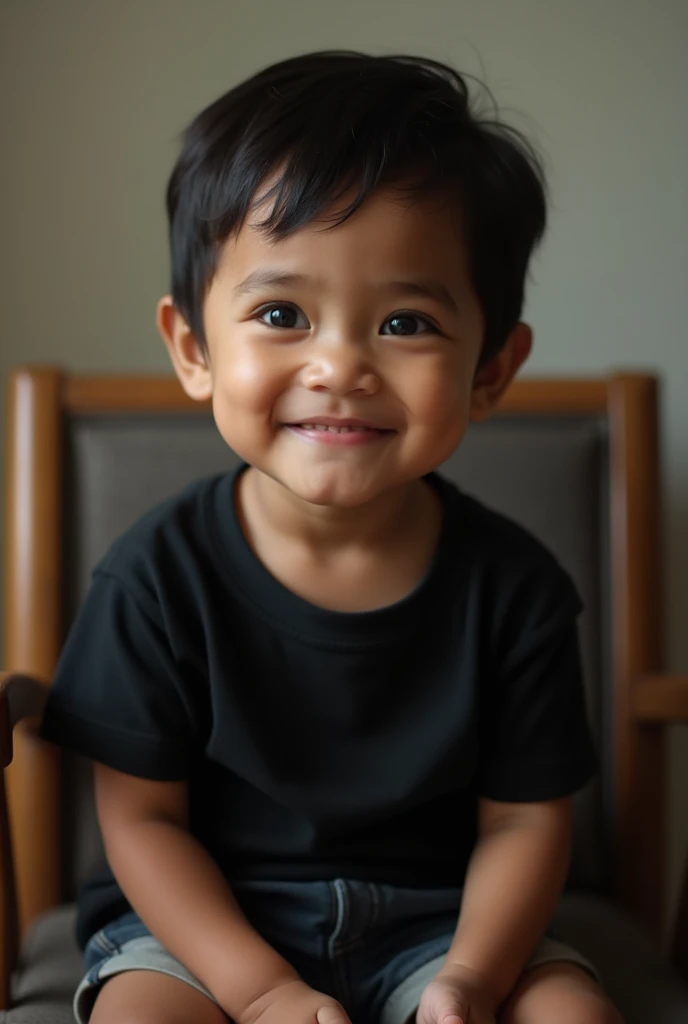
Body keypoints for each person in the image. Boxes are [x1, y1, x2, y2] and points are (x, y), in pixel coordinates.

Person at [40, 49, 623, 1024]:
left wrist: (472, 980)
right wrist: (259, 989)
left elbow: (524, 819)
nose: (339, 365)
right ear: (193, 349)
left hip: (448, 927)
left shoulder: (514, 587)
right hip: (203, 930)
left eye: (404, 321)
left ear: (490, 368)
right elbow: (140, 819)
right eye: (281, 314)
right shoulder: (155, 575)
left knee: (572, 1016)